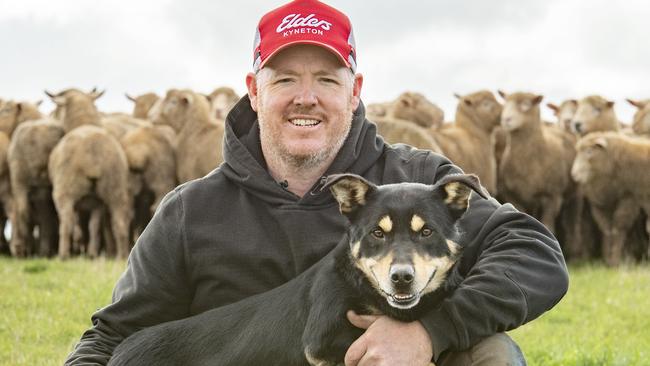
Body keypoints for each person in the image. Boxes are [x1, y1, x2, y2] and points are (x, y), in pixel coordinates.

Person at [66, 0, 568, 365]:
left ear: (354, 92)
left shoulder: (416, 180)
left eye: (327, 79)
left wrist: (429, 332)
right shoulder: (190, 211)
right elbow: (112, 337)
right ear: (255, 91)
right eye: (285, 79)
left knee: (493, 353)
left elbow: (533, 252)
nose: (306, 97)